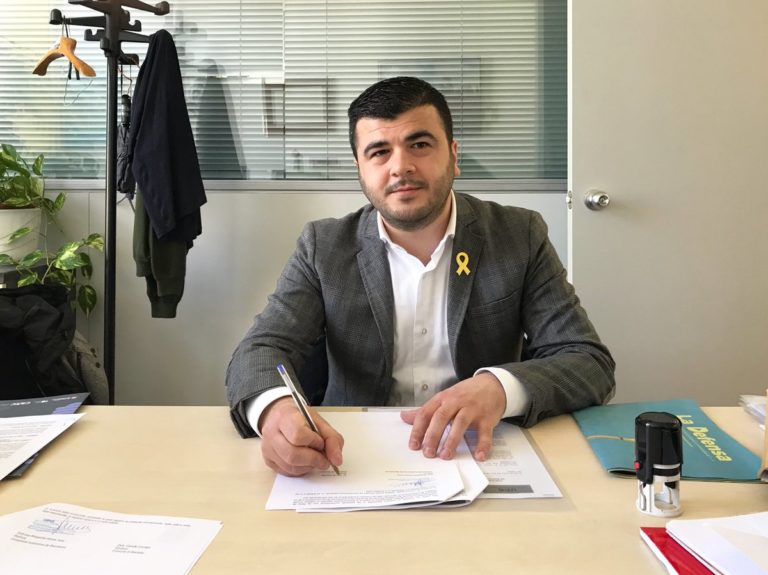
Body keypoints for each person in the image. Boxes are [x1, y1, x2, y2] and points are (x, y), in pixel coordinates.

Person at [226, 76, 615, 477]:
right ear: (360, 169)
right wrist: (273, 411)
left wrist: (499, 387)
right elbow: (260, 349)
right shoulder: (323, 247)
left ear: (453, 155)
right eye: (379, 152)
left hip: (480, 453)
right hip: (354, 458)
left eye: (420, 144)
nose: (401, 167)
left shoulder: (518, 236)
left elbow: (587, 361)